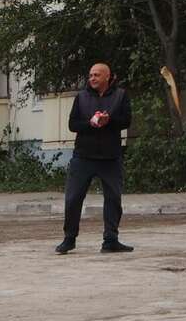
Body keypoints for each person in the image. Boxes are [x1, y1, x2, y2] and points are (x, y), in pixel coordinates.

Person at [56, 62, 131, 254]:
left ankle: (111, 240)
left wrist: (109, 121)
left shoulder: (120, 95)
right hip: (83, 157)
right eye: (90, 75)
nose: (92, 78)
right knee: (73, 198)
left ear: (108, 77)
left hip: (110, 157)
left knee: (113, 198)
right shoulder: (81, 98)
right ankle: (69, 238)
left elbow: (126, 121)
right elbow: (73, 125)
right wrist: (90, 123)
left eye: (97, 75)